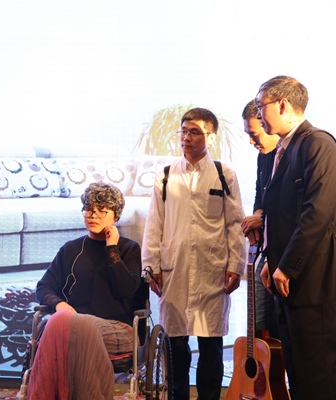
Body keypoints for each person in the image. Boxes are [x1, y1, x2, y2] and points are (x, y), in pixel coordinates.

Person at [142, 107, 246, 400]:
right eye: (183, 131)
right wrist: (151, 266)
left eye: (195, 132)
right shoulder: (165, 176)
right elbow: (154, 224)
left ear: (210, 137)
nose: (186, 138)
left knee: (211, 345)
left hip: (212, 270)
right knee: (175, 344)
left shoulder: (224, 175)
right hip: (174, 269)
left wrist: (236, 265)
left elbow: (235, 224)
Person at [257, 75, 336, 399]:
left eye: (261, 106)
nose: (258, 114)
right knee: (298, 373)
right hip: (287, 280)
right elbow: (280, 212)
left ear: (282, 105)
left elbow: (317, 212)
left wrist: (287, 265)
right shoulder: (284, 149)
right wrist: (270, 259)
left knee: (317, 376)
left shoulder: (318, 144)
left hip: (311, 281)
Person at [24, 182, 142, 400]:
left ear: (116, 216)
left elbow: (126, 290)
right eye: (88, 209)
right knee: (62, 321)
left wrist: (112, 249)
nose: (93, 215)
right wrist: (60, 305)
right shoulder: (71, 249)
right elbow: (44, 286)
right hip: (70, 324)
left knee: (70, 324)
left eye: (101, 211)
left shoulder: (128, 249)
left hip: (117, 328)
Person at [240, 99, 280, 339]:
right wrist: (256, 217)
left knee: (277, 325)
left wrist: (262, 219)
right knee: (258, 322)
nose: (251, 141)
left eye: (254, 134)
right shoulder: (263, 156)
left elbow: (294, 207)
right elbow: (260, 195)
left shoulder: (290, 154)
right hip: (265, 248)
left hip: (285, 251)